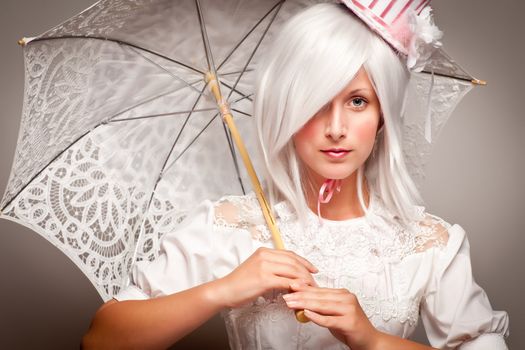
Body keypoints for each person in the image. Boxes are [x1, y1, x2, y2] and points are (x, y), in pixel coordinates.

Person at [82, 3, 509, 349]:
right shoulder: (233, 227)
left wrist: (372, 341)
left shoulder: (430, 243)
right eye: (316, 101)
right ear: (287, 109)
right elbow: (100, 340)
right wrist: (223, 290)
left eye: (358, 101)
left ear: (382, 116)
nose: (336, 127)